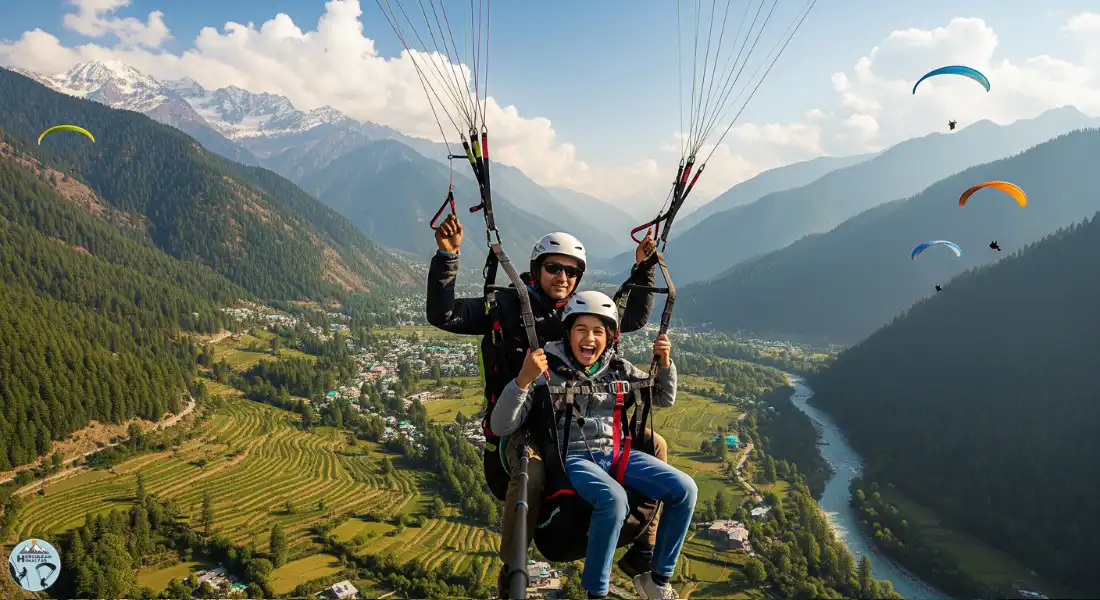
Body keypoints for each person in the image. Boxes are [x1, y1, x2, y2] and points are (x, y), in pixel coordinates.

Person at [425, 214, 669, 578]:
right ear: (537, 269)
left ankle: (643, 550)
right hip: (525, 421)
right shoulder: (506, 307)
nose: (563, 278)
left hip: (576, 421)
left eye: (571, 273)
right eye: (554, 268)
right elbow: (445, 314)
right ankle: (513, 568)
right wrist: (448, 258)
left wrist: (644, 269)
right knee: (531, 470)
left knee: (656, 445)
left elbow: (629, 319)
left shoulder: (578, 313)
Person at [492, 291, 696, 600]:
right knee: (613, 500)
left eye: (598, 331)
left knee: (685, 489)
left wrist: (665, 364)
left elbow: (662, 397)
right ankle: (596, 593)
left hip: (616, 454)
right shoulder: (546, 366)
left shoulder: (618, 368)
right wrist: (522, 380)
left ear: (610, 337)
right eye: (581, 330)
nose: (590, 338)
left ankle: (658, 577)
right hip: (574, 457)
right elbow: (501, 425)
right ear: (568, 333)